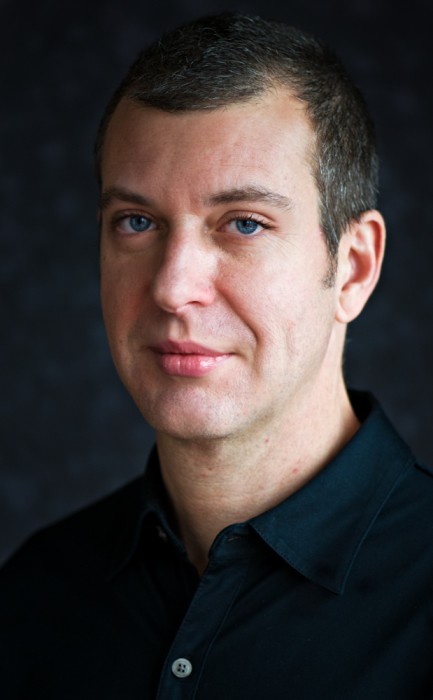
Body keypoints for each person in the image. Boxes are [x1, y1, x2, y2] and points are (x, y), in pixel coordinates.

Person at [1, 12, 432, 699]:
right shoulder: (33, 597)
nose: (172, 288)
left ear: (353, 268)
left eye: (244, 224)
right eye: (136, 222)